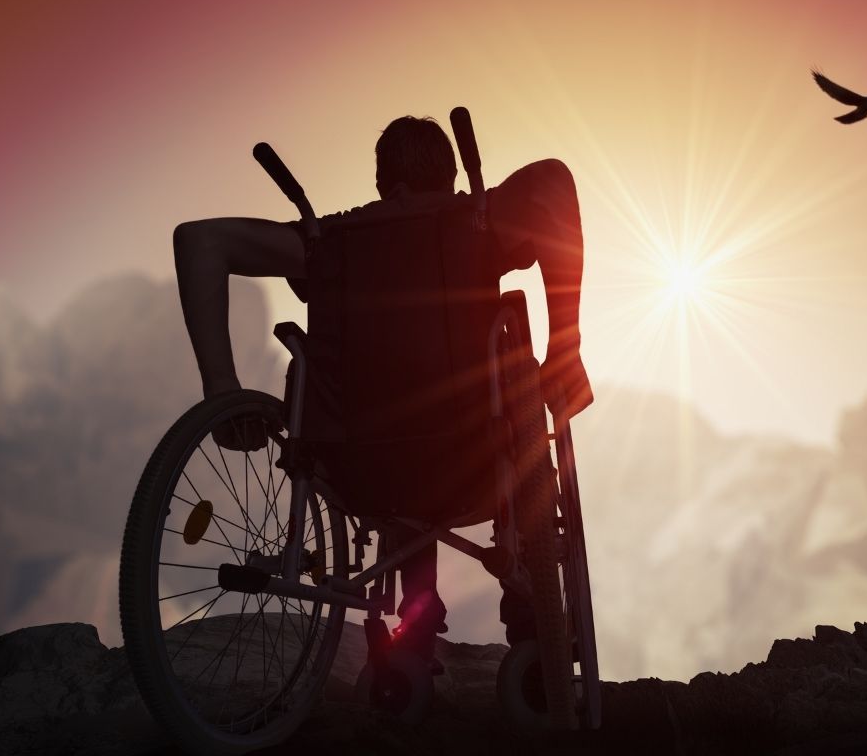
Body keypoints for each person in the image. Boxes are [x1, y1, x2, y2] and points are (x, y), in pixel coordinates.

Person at [172, 115, 592, 657]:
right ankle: (534, 618)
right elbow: (555, 180)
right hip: (478, 456)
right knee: (491, 382)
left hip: (356, 470)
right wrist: (566, 345)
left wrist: (222, 387)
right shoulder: (475, 222)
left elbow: (199, 240)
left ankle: (414, 625)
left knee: (390, 432)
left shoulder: (330, 241)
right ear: (449, 175)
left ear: (380, 181)